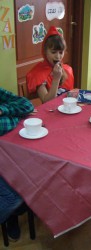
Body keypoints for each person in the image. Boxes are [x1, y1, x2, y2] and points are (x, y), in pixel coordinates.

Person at [0, 87, 34, 241]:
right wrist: (18, 116)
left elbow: (27, 106)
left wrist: (2, 109)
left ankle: (15, 213)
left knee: (35, 174)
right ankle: (11, 216)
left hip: (6, 154)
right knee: (14, 197)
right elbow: (4, 125)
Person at [26, 26, 74, 103]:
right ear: (45, 51)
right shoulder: (37, 74)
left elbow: (69, 95)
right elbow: (47, 102)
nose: (58, 56)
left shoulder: (68, 70)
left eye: (61, 52)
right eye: (53, 52)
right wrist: (56, 79)